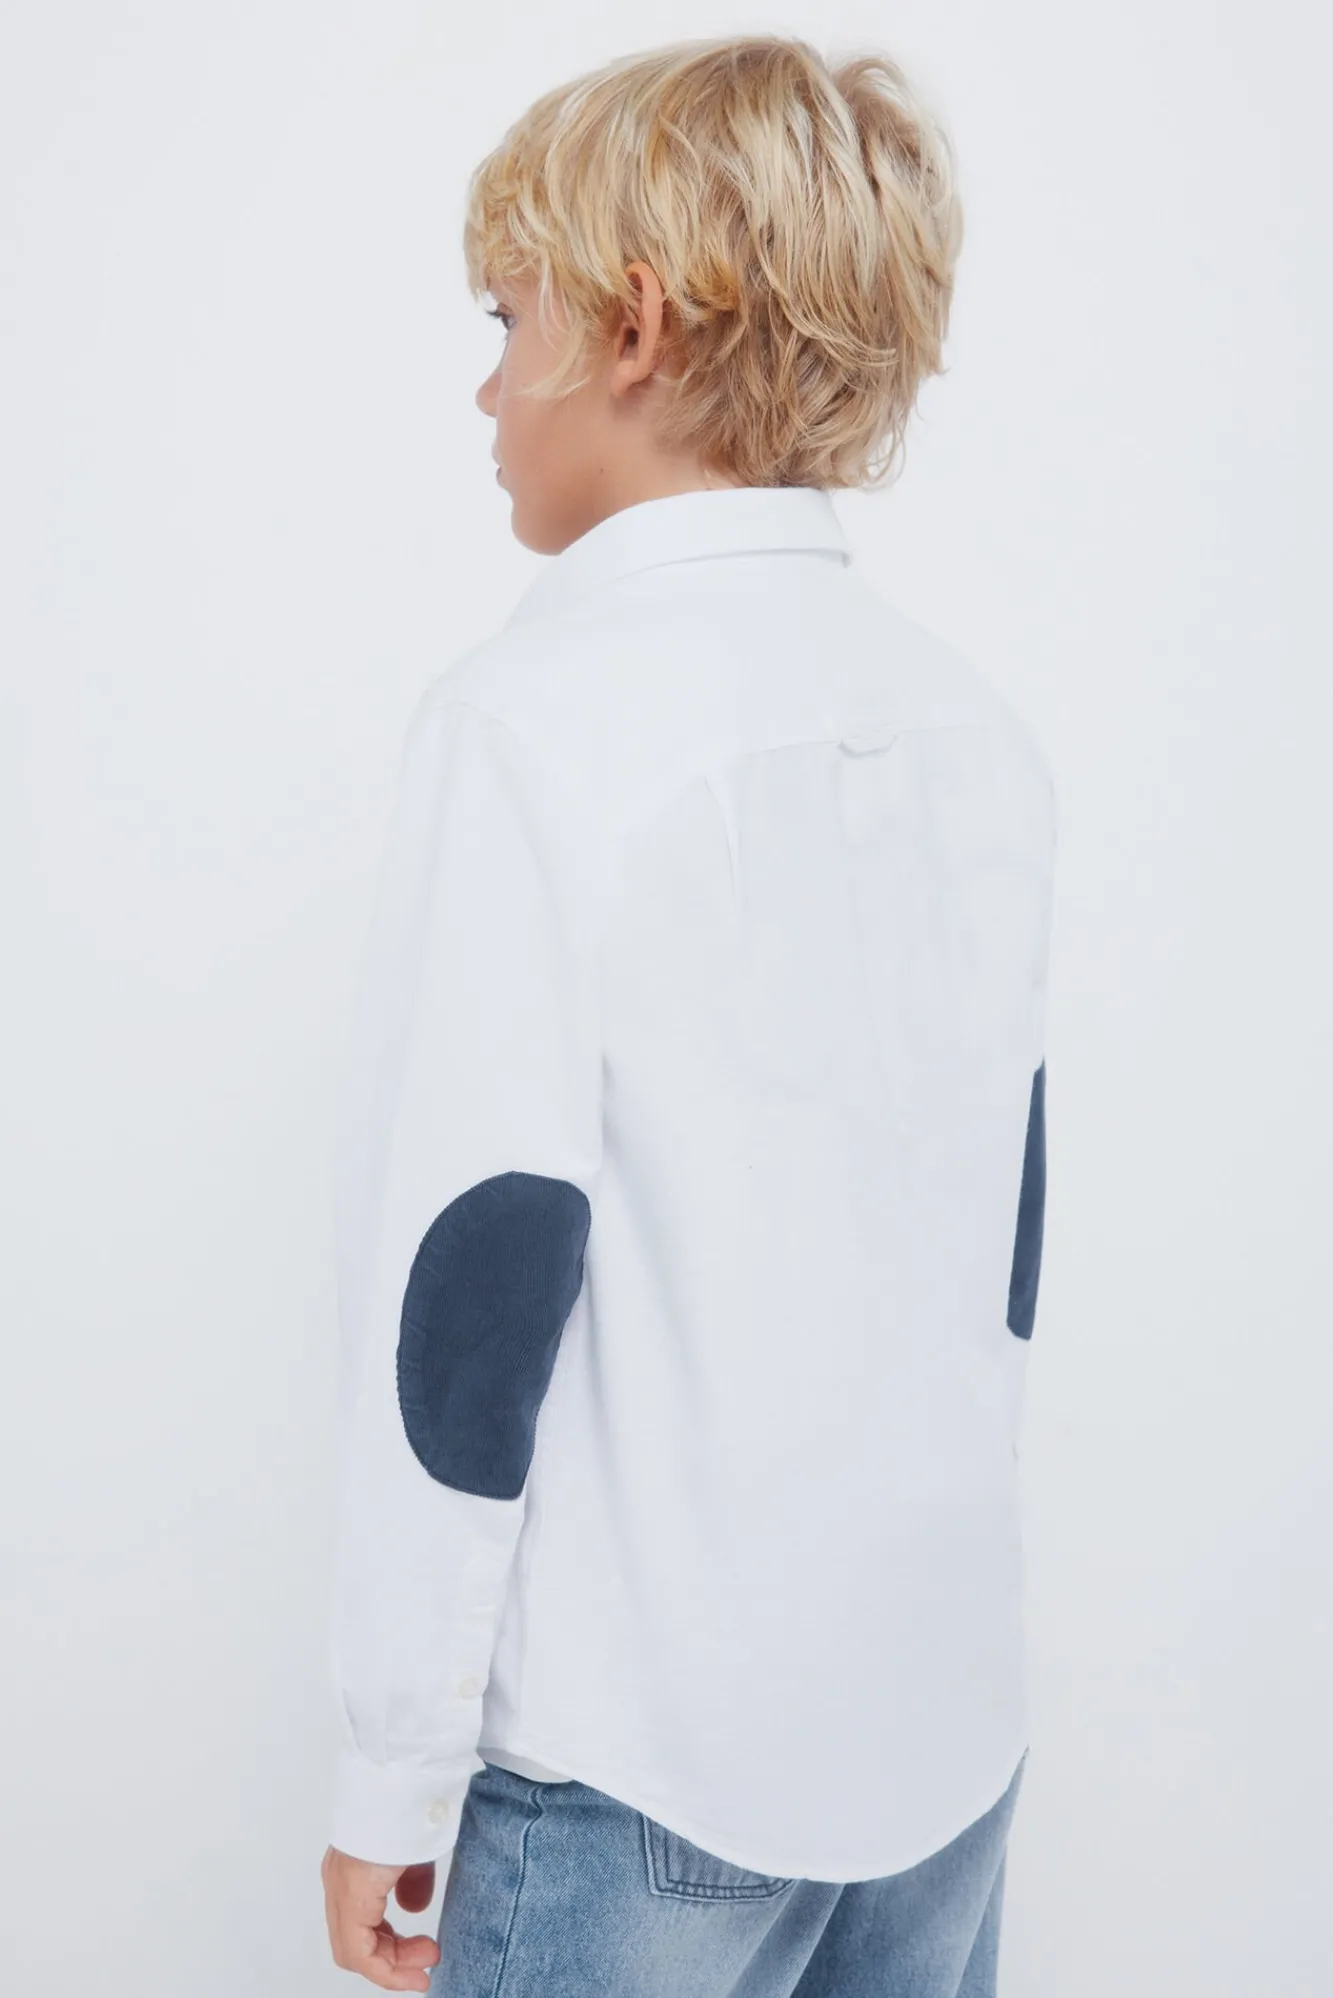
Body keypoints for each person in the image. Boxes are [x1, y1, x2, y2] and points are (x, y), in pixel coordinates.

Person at [320, 32, 1056, 1998]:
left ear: (634, 327)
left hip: (644, 1772)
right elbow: (1000, 1267)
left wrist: (388, 1767)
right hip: (945, 1731)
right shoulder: (977, 734)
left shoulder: (530, 727)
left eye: (507, 319)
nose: (485, 387)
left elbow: (470, 1288)